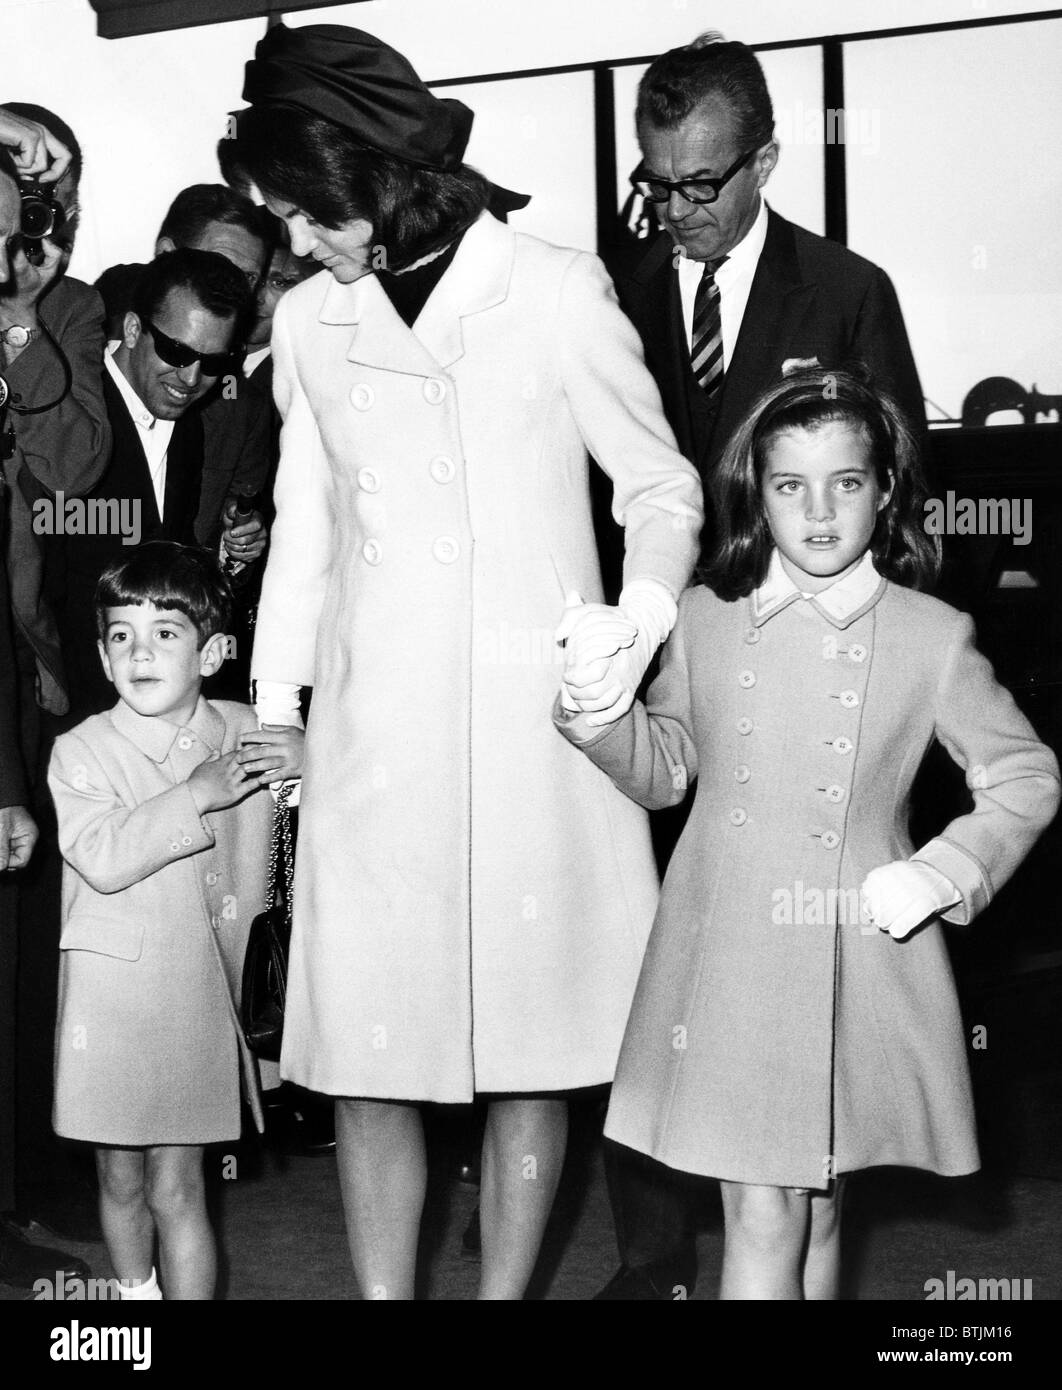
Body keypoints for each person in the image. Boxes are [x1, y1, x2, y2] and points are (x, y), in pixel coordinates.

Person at [220, 21, 702, 1300]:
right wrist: (279, 707)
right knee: (369, 1057)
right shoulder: (313, 326)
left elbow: (661, 486)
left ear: (368, 176)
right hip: (376, 743)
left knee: (536, 1050)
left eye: (306, 213)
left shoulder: (551, 288)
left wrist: (639, 621)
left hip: (540, 735)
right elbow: (303, 532)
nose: (296, 244)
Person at [556, 367, 1060, 1299]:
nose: (819, 510)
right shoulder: (705, 618)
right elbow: (667, 767)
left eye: (848, 482)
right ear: (757, 494)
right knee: (762, 1208)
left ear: (886, 490)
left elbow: (1025, 774)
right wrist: (597, 714)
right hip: (728, 946)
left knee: (822, 1203)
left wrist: (947, 870)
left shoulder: (930, 634)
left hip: (861, 943)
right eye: (791, 485)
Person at [596, 31, 929, 1299]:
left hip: (789, 703)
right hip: (638, 686)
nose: (676, 210)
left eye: (701, 183)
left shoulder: (847, 290)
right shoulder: (613, 288)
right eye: (658, 182)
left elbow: (899, 514)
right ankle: (648, 1260)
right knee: (646, 957)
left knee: (776, 992)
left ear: (767, 160)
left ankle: (779, 1226)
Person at [47, 542, 284, 1299]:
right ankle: (134, 1300)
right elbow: (103, 854)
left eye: (165, 634)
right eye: (121, 636)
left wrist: (310, 754)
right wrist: (196, 796)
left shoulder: (247, 732)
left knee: (180, 1186)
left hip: (197, 1002)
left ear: (213, 650)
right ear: (100, 651)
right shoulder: (81, 752)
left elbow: (332, 786)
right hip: (111, 1003)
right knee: (119, 1181)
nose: (138, 653)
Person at [52, 248, 264, 719]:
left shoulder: (187, 420)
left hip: (149, 712)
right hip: (72, 710)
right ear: (132, 330)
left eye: (212, 362)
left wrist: (231, 550)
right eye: (176, 351)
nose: (191, 378)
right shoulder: (71, 411)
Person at [94, 184, 275, 552]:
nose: (230, 291)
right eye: (217, 266)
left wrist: (239, 543)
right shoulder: (79, 353)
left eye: (248, 279)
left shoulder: (241, 410)